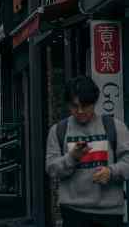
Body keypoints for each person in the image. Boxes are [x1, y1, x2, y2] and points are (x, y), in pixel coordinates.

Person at [46, 76, 129, 227]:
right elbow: (51, 169)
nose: (80, 111)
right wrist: (71, 158)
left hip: (110, 213)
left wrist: (111, 172)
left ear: (94, 102)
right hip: (73, 212)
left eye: (85, 105)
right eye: (74, 106)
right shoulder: (58, 130)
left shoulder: (115, 127)